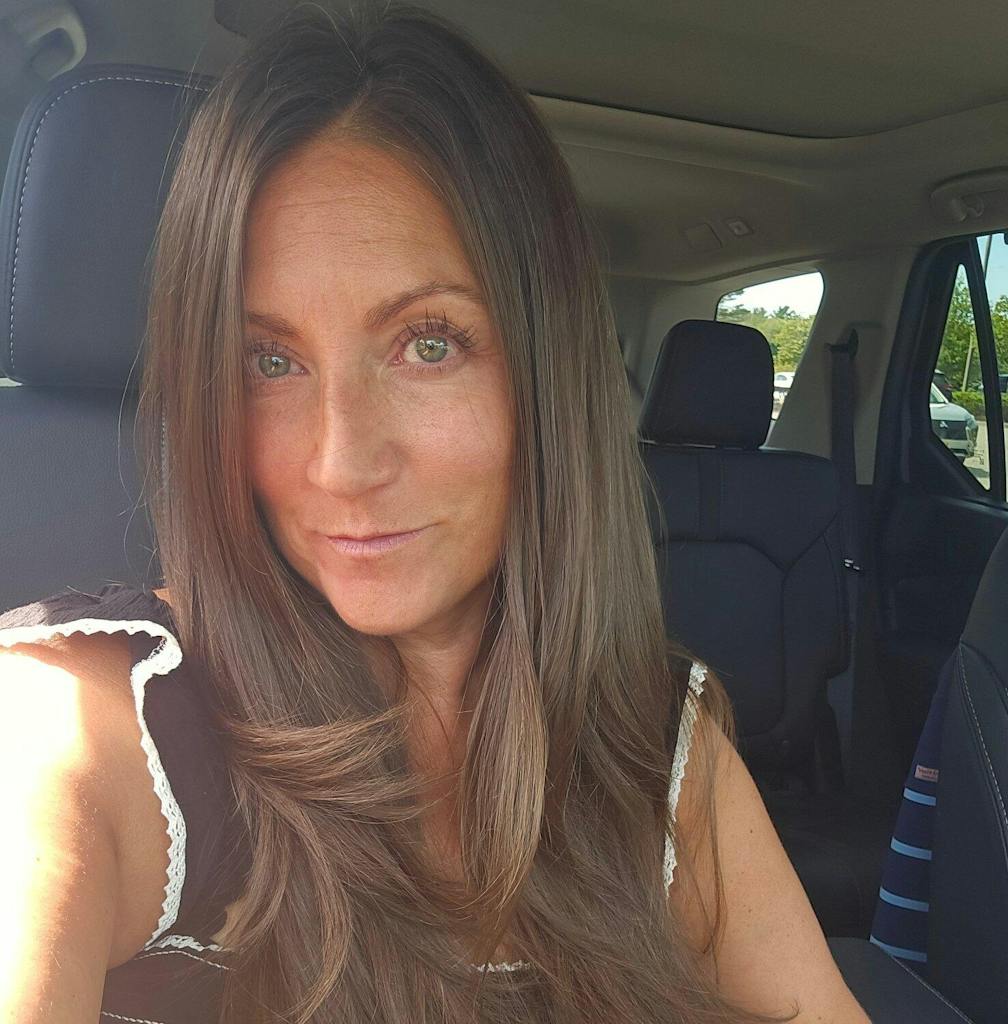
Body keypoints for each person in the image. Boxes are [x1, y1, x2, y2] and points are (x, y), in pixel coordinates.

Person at [0, 4, 870, 1022]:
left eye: (428, 343)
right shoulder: (87, 722)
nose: (340, 463)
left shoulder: (655, 743)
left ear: (546, 374)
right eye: (268, 361)